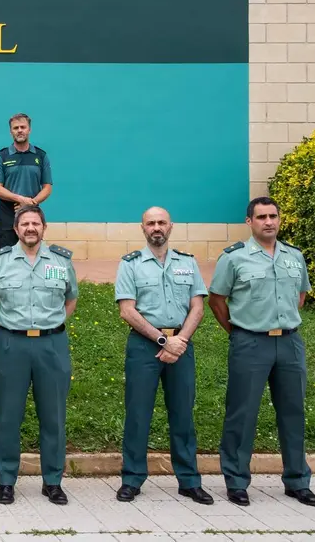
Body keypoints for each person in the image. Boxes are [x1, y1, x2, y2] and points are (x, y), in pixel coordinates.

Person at [208, 197, 315, 508]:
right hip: (250, 343)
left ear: (279, 219)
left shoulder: (294, 256)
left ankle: (297, 481)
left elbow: (300, 295)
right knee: (242, 414)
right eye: (261, 217)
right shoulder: (234, 258)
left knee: (293, 412)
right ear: (249, 222)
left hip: (290, 344)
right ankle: (237, 481)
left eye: (273, 216)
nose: (268, 222)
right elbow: (217, 300)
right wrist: (239, 331)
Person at [114, 207, 213, 505]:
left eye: (161, 223)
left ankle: (189, 481)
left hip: (182, 344)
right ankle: (132, 479)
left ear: (171, 227)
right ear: (142, 228)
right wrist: (162, 340)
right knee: (138, 414)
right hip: (145, 346)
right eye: (151, 223)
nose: (156, 227)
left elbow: (198, 306)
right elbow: (127, 310)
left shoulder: (188, 262)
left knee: (183, 414)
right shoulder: (130, 264)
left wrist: (179, 340)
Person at [0, 205, 77, 506]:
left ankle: (53, 481)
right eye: (25, 223)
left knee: (54, 416)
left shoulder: (61, 262)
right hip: (13, 345)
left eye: (36, 223)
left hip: (52, 345)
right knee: (8, 415)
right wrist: (12, 327)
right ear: (16, 228)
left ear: (43, 228)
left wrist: (52, 325)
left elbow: (70, 300)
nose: (30, 228)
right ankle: (6, 481)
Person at [0, 113, 52, 249]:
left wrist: (31, 203)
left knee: (33, 252)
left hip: (32, 212)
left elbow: (47, 187)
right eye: (15, 128)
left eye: (23, 127)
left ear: (29, 129)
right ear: (11, 131)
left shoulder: (41, 156)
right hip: (7, 213)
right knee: (5, 255)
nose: (19, 130)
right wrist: (20, 199)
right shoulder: (2, 156)